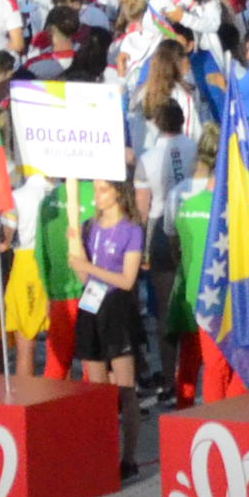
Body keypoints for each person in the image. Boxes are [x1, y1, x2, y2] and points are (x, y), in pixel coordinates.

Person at [72, 178, 147, 477]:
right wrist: (74, 244)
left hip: (118, 308)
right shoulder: (90, 227)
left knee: (125, 388)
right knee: (98, 388)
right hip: (91, 305)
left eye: (103, 190)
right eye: (95, 190)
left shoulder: (131, 229)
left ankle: (128, 458)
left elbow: (128, 280)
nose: (97, 196)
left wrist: (90, 269)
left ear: (118, 192)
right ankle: (101, 453)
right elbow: (81, 279)